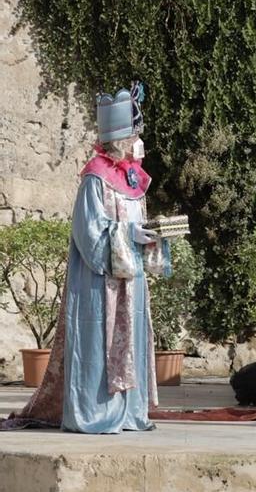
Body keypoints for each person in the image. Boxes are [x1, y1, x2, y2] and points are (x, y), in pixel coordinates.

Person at [1, 81, 171, 433]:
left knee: (131, 340)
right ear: (123, 140)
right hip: (100, 283)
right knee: (99, 343)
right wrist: (127, 235)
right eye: (135, 136)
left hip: (131, 278)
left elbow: (136, 219)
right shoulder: (95, 178)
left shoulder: (134, 178)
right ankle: (96, 412)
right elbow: (89, 230)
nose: (139, 143)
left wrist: (149, 235)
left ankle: (128, 412)